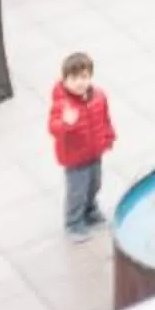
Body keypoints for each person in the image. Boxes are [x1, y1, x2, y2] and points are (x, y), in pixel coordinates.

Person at [50, 51, 115, 241]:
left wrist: (108, 136)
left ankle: (91, 211)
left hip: (94, 153)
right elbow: (53, 127)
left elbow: (105, 119)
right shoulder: (63, 104)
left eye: (84, 77)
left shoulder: (99, 97)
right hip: (75, 158)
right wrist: (66, 124)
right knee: (77, 191)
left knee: (94, 184)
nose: (80, 82)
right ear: (65, 80)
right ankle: (73, 223)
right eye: (74, 78)